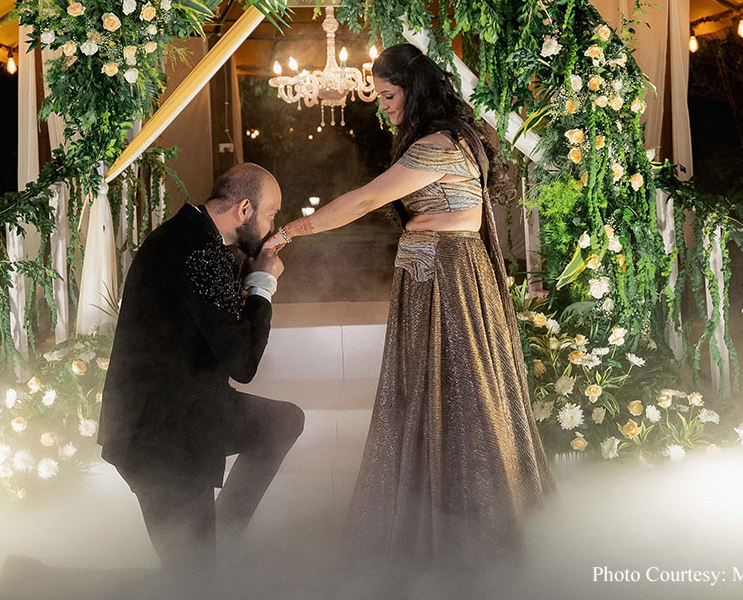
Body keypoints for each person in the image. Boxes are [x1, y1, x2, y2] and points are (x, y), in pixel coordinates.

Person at [261, 43, 555, 566]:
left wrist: (294, 229)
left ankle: (461, 528)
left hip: (443, 275)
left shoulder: (439, 145)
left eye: (390, 95)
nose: (384, 106)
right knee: (442, 388)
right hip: (443, 271)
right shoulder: (453, 137)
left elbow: (368, 198)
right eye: (379, 96)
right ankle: (447, 516)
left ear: (413, 89)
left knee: (450, 389)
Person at [98, 162, 306, 576]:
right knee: (193, 581)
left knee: (280, 421)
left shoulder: (191, 237)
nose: (272, 227)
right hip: (159, 440)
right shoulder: (201, 254)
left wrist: (248, 283)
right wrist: (262, 284)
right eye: (271, 214)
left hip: (191, 409)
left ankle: (223, 536)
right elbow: (243, 364)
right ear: (244, 209)